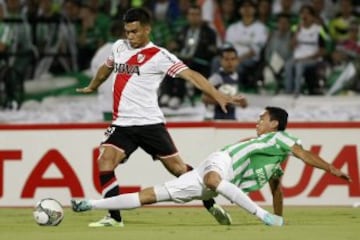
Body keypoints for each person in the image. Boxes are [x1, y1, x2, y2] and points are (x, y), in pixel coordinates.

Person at [76, 7, 246, 227]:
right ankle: (114, 217)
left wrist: (216, 94)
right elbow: (105, 68)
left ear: (147, 29)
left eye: (135, 31)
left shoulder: (160, 56)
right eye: (127, 31)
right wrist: (93, 85)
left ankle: (210, 204)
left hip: (150, 124)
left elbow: (192, 76)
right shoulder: (119, 47)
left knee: (178, 170)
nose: (130, 36)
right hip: (122, 124)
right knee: (105, 162)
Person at [71, 106, 351, 226]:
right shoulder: (273, 142)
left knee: (150, 196)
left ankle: (91, 204)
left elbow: (285, 179)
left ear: (275, 123)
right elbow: (300, 155)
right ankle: (92, 205)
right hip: (220, 163)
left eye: (262, 118)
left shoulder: (280, 142)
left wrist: (331, 169)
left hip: (211, 180)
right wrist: (272, 216)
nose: (258, 122)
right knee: (214, 182)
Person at [202, 45, 247, 120]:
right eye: (226, 59)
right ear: (221, 60)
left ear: (237, 61)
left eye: (233, 59)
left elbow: (240, 102)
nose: (230, 62)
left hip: (231, 118)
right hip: (216, 119)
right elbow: (204, 98)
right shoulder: (216, 78)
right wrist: (224, 100)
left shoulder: (236, 76)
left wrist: (243, 102)